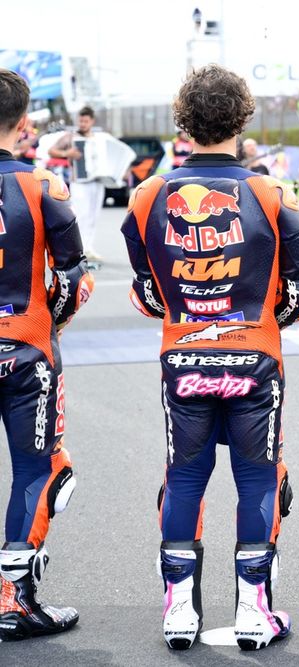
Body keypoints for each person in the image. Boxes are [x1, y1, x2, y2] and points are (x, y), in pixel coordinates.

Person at [121, 64, 299, 651]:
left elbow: (146, 292)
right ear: (243, 117)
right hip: (255, 360)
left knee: (184, 477)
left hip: (182, 357)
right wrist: (250, 321)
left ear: (183, 121)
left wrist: (194, 319)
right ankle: (254, 613)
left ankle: (179, 611)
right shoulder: (273, 193)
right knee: (258, 477)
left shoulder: (146, 195)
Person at [0, 68, 93, 641]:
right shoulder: (44, 186)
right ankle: (15, 600)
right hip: (26, 346)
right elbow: (74, 278)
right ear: (24, 123)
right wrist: (49, 322)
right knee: (45, 471)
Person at [48, 107, 106, 261]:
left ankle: (89, 246)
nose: (83, 124)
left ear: (92, 121)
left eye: (86, 121)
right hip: (79, 182)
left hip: (97, 181)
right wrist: (67, 154)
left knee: (94, 216)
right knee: (81, 215)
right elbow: (51, 150)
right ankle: (78, 248)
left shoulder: (100, 139)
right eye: (81, 120)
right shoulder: (71, 137)